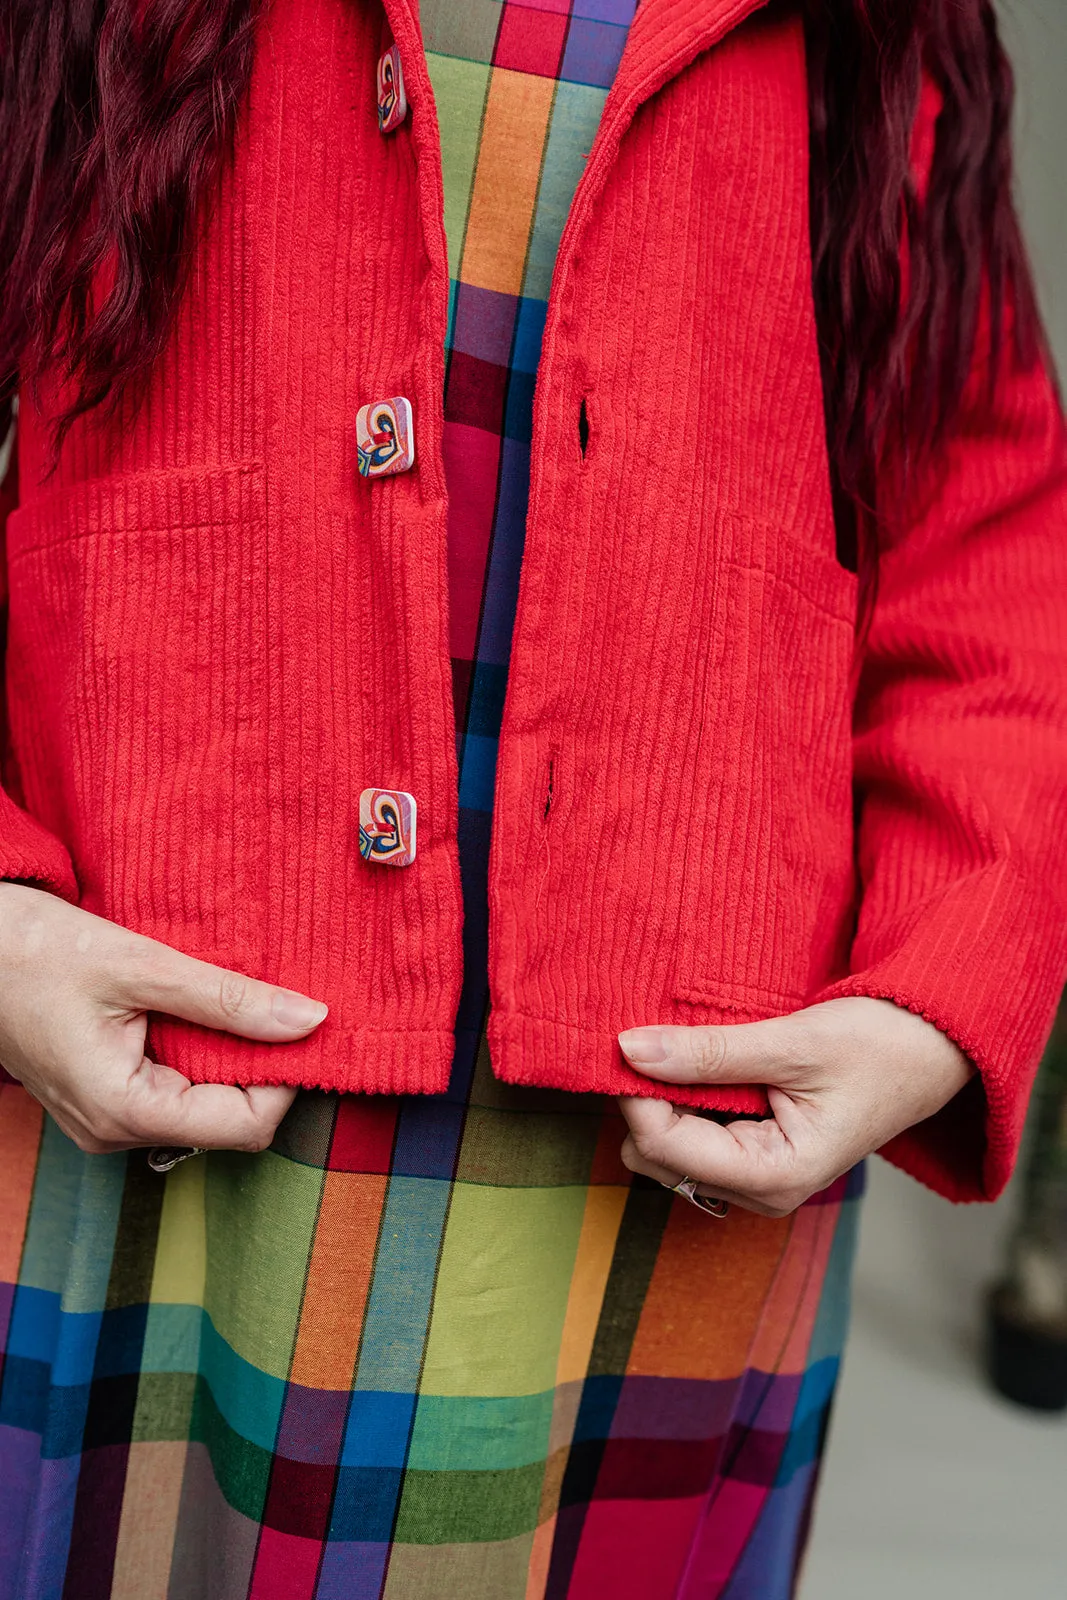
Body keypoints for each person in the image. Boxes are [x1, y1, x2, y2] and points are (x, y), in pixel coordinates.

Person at [0, 1, 1064, 1596]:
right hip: (100, 1084)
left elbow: (982, 544)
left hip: (670, 1170)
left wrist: (931, 995)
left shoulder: (874, 29)